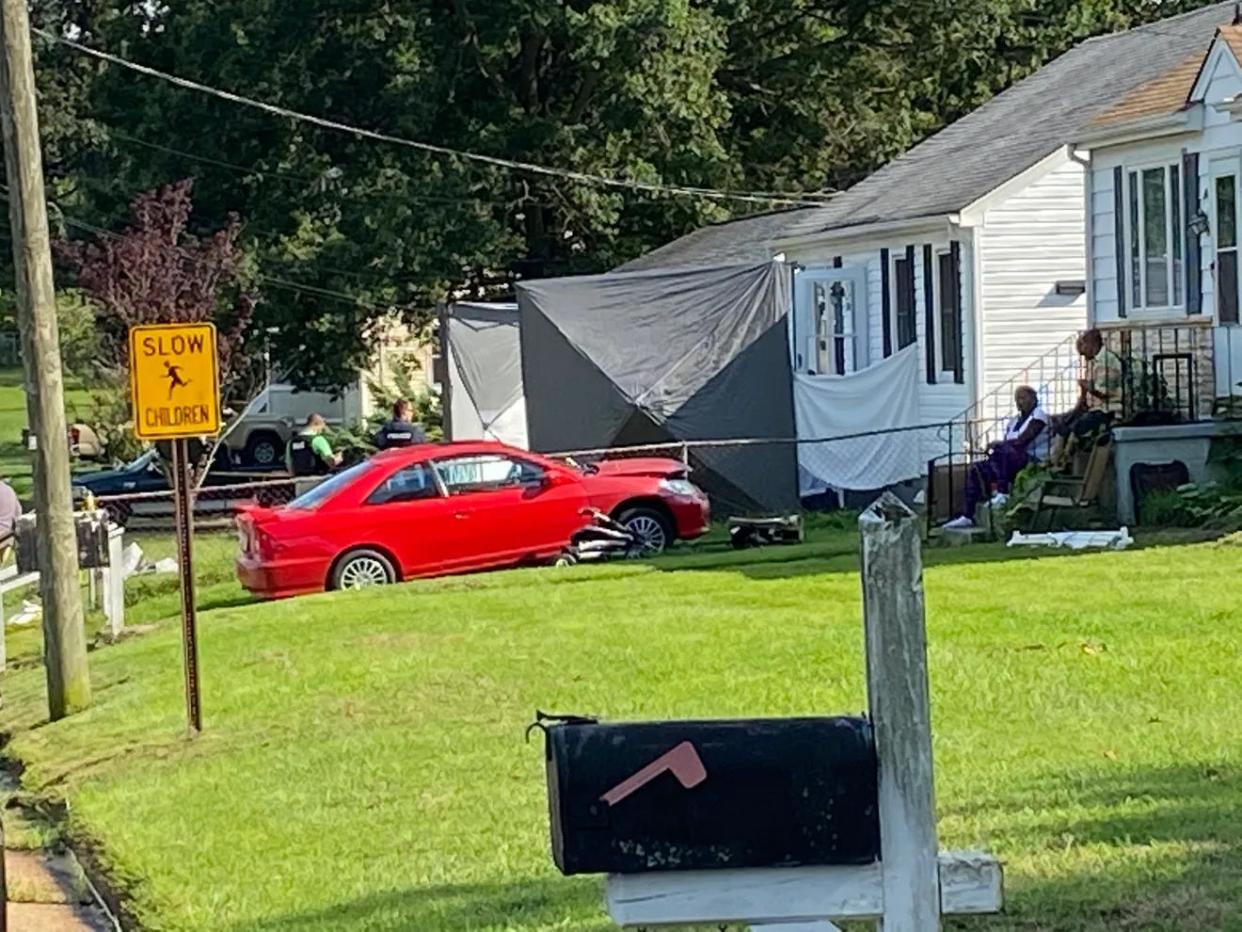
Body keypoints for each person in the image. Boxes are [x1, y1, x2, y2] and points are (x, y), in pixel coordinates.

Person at [943, 386, 1049, 530]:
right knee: (977, 469)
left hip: (1031, 459)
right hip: (1010, 461)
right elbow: (1009, 443)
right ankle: (967, 515)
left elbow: (1023, 441)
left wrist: (998, 444)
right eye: (1017, 399)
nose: (1019, 402)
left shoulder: (1038, 416)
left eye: (1023, 398)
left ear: (1033, 399)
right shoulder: (1014, 421)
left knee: (1002, 449)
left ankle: (1002, 492)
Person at [1051, 329, 1124, 462]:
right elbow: (1087, 394)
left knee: (1077, 428)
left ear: (1091, 344)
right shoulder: (1093, 362)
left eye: (1083, 347)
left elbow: (1104, 392)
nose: (1083, 354)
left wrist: (1086, 386)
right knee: (1061, 426)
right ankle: (1055, 460)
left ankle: (1063, 461)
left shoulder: (1107, 360)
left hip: (1107, 410)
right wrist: (1075, 409)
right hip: (1093, 408)